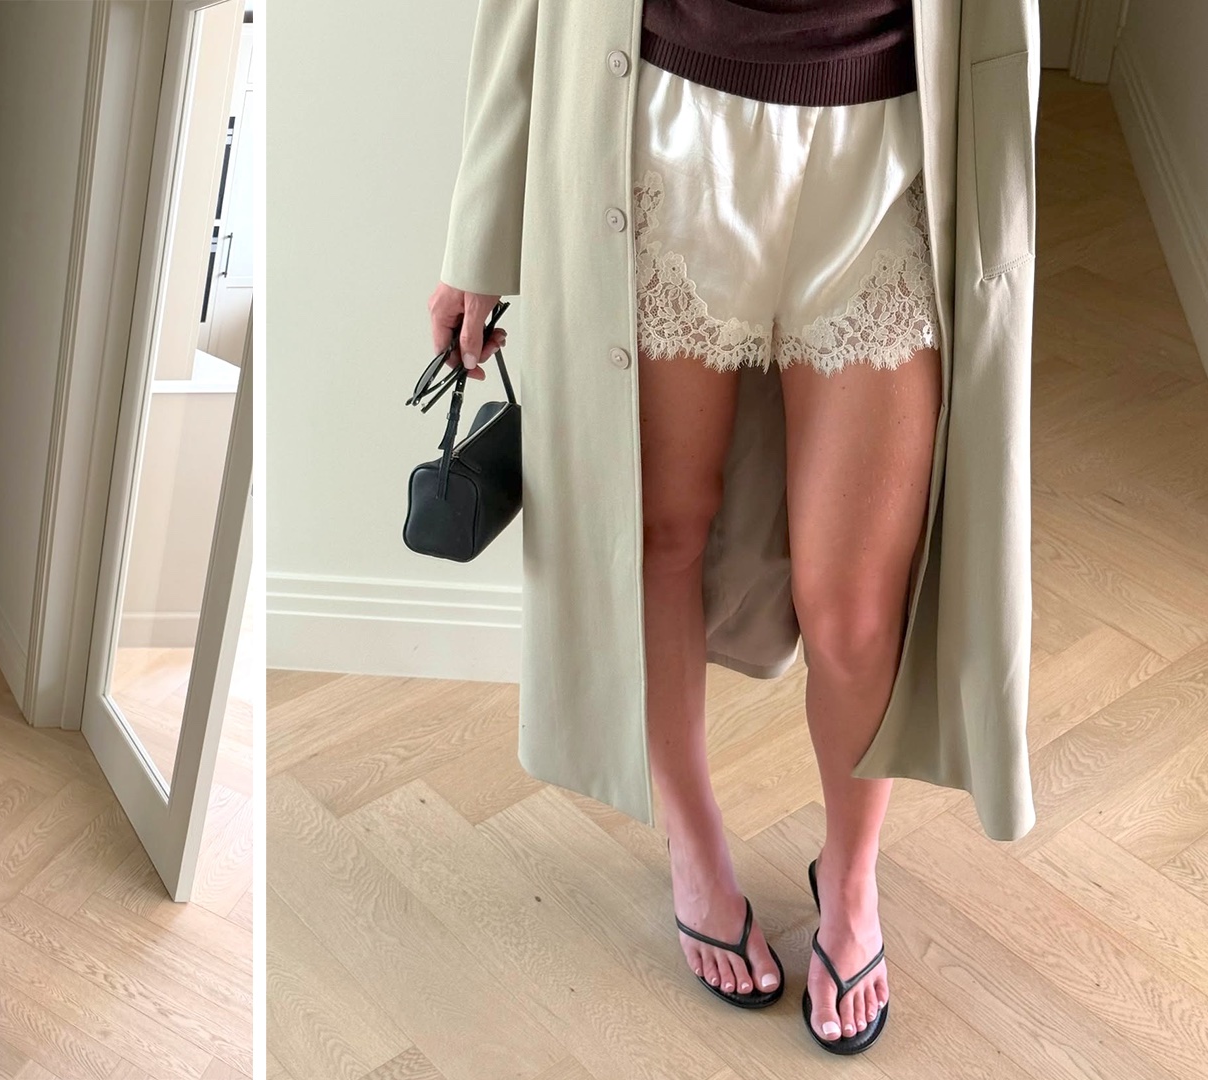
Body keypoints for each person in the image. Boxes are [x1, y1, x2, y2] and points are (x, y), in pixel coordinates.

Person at [427, 0, 1026, 1056]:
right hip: (658, 127)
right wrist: (480, 233)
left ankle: (849, 873)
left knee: (854, 606)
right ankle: (694, 840)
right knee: (656, 535)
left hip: (886, 146)